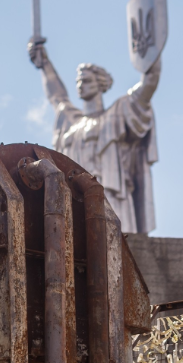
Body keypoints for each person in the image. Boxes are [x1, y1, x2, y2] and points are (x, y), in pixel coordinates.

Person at [28, 42, 160, 234]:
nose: (80, 86)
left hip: (110, 194)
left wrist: (151, 48)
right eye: (78, 82)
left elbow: (148, 85)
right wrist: (45, 65)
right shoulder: (71, 121)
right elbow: (57, 97)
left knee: (119, 240)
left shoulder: (117, 114)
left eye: (87, 81)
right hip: (74, 196)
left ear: (100, 84)